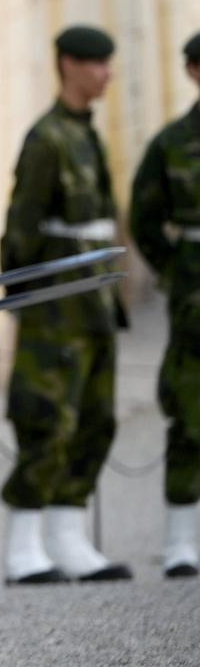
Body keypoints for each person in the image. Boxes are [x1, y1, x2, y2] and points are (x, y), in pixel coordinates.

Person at [0, 24, 131, 584]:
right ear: (68, 65)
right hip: (56, 307)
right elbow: (22, 226)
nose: (105, 73)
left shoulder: (85, 134)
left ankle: (68, 537)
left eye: (108, 63)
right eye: (95, 63)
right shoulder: (47, 139)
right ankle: (24, 547)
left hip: (94, 301)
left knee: (95, 419)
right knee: (46, 418)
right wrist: (23, 295)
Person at [132, 32, 200, 579]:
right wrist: (179, 270)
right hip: (195, 298)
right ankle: (182, 538)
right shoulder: (172, 144)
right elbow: (145, 220)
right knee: (189, 406)